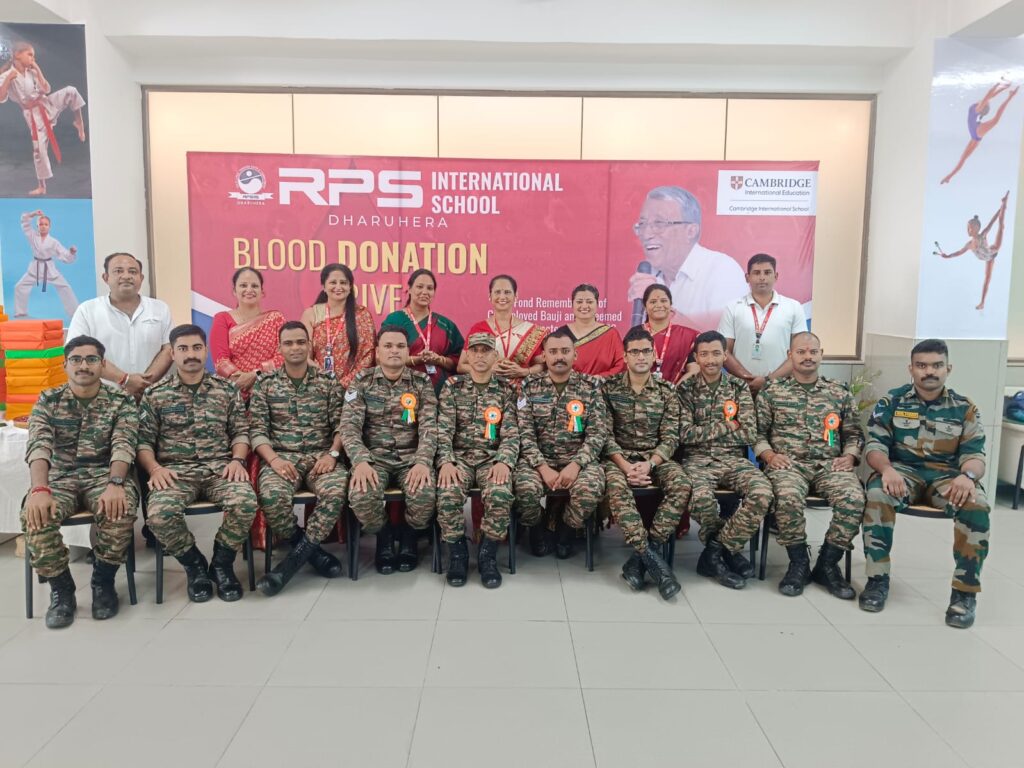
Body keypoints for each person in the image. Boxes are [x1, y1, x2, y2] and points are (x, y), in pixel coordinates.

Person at [860, 339, 990, 629]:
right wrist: (886, 469)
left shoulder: (964, 407)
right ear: (911, 369)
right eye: (922, 365)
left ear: (948, 368)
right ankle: (877, 580)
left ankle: (964, 593)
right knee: (878, 493)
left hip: (948, 476)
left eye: (936, 365)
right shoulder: (892, 402)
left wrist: (967, 477)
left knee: (976, 504)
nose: (929, 371)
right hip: (902, 473)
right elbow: (875, 446)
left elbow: (976, 456)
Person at [20, 336, 138, 629]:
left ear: (102, 364)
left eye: (91, 359)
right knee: (35, 517)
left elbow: (123, 444)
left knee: (121, 508)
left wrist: (115, 483)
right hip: (60, 478)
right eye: (76, 359)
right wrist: (39, 489)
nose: (83, 365)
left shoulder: (121, 401)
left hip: (104, 475)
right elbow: (39, 445)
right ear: (65, 364)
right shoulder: (48, 400)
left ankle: (103, 582)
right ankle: (62, 591)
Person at [136, 325, 258, 603]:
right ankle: (195, 566)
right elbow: (143, 442)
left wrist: (238, 460)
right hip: (175, 473)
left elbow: (241, 432)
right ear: (172, 353)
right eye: (183, 348)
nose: (190, 354)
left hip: (220, 470)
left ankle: (222, 564)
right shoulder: (156, 394)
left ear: (205, 351)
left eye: (196, 348)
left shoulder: (226, 389)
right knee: (159, 515)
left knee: (246, 503)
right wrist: (155, 469)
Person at [754, 332, 865, 599]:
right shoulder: (773, 392)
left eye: (813, 352)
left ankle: (827, 563)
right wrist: (769, 456)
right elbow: (756, 433)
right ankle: (799, 563)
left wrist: (850, 457)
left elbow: (854, 434)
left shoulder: (838, 392)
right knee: (787, 496)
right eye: (801, 352)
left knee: (853, 498)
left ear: (821, 354)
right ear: (790, 355)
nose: (808, 357)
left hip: (830, 465)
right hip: (787, 464)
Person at [249, 322, 348, 596]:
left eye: (301, 342)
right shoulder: (265, 385)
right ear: (279, 348)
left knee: (336, 492)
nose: (295, 348)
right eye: (289, 343)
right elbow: (257, 431)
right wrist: (274, 461)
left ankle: (289, 565)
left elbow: (342, 426)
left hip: (322, 458)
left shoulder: (328, 382)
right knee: (271, 497)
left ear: (309, 345)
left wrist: (333, 454)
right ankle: (312, 553)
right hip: (281, 458)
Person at [677, 330, 773, 589]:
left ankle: (716, 551)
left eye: (716, 353)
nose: (710, 360)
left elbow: (748, 432)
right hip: (697, 461)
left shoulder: (738, 387)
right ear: (697, 357)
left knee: (763, 492)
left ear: (725, 356)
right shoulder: (685, 389)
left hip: (734, 460)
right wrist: (727, 426)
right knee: (700, 499)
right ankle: (727, 553)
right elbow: (684, 434)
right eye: (704, 354)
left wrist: (706, 432)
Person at [340, 324, 438, 574]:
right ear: (377, 351)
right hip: (374, 460)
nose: (394, 351)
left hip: (411, 460)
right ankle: (383, 535)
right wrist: (360, 461)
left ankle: (408, 536)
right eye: (388, 346)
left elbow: (430, 426)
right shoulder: (362, 381)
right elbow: (349, 427)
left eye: (400, 346)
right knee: (361, 496)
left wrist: (423, 461)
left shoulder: (421, 382)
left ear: (407, 351)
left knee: (425, 495)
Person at [602, 326, 687, 600]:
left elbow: (671, 437)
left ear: (653, 355)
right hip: (619, 459)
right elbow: (604, 435)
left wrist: (650, 463)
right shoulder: (609, 389)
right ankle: (655, 562)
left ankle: (639, 560)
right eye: (635, 351)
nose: (641, 356)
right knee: (617, 489)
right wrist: (626, 467)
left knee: (681, 484)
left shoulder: (667, 391)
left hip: (655, 458)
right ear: (625, 356)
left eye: (646, 351)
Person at [514, 328, 608, 559]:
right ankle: (537, 529)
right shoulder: (529, 385)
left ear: (575, 355)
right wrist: (542, 467)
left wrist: (576, 465)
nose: (559, 357)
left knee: (590, 489)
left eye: (565, 351)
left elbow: (597, 434)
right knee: (524, 489)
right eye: (553, 351)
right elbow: (524, 433)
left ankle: (566, 530)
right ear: (544, 356)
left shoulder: (591, 386)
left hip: (578, 460)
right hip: (538, 460)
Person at [435, 332, 519, 588]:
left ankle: (487, 555)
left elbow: (512, 432)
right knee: (447, 493)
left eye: (486, 351)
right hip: (458, 458)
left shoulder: (506, 390)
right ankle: (458, 554)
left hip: (491, 459)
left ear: (496, 356)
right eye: (475, 351)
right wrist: (446, 461)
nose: (480, 356)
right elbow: (443, 429)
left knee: (501, 493)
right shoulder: (453, 386)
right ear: (468, 355)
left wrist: (504, 461)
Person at [626, 186, 747, 331]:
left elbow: (725, 340)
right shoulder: (648, 277)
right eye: (642, 224)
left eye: (659, 224)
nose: (646, 234)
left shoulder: (722, 271)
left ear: (690, 231)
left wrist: (660, 306)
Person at [67, 252, 173, 397]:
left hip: (150, 396)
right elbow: (77, 354)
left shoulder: (160, 308)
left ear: (141, 278)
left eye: (133, 272)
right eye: (118, 271)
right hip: (102, 397)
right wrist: (125, 380)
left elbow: (168, 349)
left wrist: (142, 384)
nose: (126, 276)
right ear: (106, 277)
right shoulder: (87, 310)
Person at [0, 40, 86, 196]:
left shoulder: (32, 72)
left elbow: (46, 89)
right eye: (30, 55)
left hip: (47, 104)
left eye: (33, 56)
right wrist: (8, 79)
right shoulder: (7, 75)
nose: (33, 58)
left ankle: (78, 122)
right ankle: (42, 186)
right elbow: (1, 97)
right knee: (39, 150)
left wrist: (38, 70)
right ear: (17, 55)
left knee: (71, 91)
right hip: (33, 115)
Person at [718, 253, 807, 395]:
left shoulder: (793, 307)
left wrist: (768, 380)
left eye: (767, 272)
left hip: (780, 386)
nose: (762, 277)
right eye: (756, 273)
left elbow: (799, 352)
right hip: (742, 386)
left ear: (776, 276)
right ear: (747, 277)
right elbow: (724, 351)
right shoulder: (733, 308)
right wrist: (747, 378)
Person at [382, 268, 464, 392]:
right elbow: (382, 357)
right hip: (400, 390)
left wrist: (439, 360)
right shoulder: (394, 320)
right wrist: (416, 360)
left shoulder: (446, 325)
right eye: (419, 287)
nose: (425, 292)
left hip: (439, 393)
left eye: (430, 288)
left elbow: (459, 362)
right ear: (409, 289)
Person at [457, 275, 547, 384]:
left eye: (507, 292)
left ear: (516, 296)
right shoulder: (478, 328)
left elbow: (541, 365)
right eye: (497, 292)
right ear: (490, 296)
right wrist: (488, 370)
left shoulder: (530, 330)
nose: (502, 297)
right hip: (489, 390)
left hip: (521, 389)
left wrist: (524, 371)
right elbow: (461, 366)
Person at [209, 267, 285, 392]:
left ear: (262, 292)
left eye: (254, 286)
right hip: (235, 390)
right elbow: (221, 361)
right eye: (243, 285)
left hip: (271, 389)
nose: (249, 290)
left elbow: (282, 356)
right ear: (234, 291)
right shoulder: (222, 318)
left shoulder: (275, 319)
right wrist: (241, 382)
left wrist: (255, 375)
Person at [301, 263, 375, 388]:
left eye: (343, 283)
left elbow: (368, 356)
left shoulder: (362, 314)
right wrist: (323, 379)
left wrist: (343, 384)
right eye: (333, 282)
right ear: (324, 286)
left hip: (354, 387)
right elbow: (304, 355)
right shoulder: (312, 314)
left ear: (350, 287)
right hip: (318, 386)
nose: (338, 287)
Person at [936, 192, 1009, 310]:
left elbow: (992, 222)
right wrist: (947, 256)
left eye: (969, 228)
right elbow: (958, 252)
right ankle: (982, 303)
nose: (968, 230)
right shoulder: (969, 245)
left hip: (993, 250)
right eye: (967, 228)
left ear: (976, 228)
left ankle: (1004, 205)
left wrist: (1001, 207)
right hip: (989, 259)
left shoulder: (982, 235)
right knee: (987, 279)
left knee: (1001, 226)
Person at [941, 79, 1018, 185]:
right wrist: (1003, 87)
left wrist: (997, 86)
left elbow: (989, 95)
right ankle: (949, 177)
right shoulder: (978, 108)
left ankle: (949, 176)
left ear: (983, 107)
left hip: (975, 132)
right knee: (963, 158)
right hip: (975, 134)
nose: (987, 102)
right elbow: (990, 96)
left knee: (963, 158)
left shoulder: (977, 108)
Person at [14, 209, 79, 319]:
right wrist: (33, 214)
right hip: (35, 268)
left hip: (49, 269)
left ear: (49, 227)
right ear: (37, 226)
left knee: (65, 287)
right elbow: (25, 223)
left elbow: (64, 254)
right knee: (19, 286)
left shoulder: (53, 242)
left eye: (46, 224)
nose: (43, 226)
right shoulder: (32, 236)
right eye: (41, 224)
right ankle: (21, 312)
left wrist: (71, 252)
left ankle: (76, 314)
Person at [560, 283, 625, 377]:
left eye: (589, 302)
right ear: (572, 304)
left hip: (604, 385)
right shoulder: (561, 334)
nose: (584, 306)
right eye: (579, 302)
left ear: (597, 304)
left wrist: (598, 378)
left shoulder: (611, 334)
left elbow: (621, 365)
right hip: (569, 385)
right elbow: (554, 365)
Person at [642, 284, 698, 385]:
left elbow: (694, 369)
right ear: (645, 307)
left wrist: (674, 390)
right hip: (641, 392)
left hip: (676, 392)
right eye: (653, 302)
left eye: (663, 301)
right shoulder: (636, 334)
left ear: (670, 305)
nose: (659, 305)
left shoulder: (686, 336)